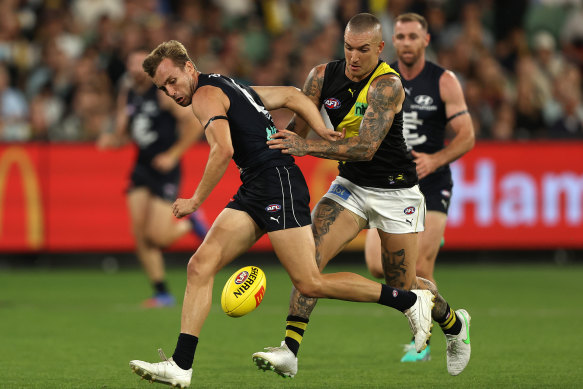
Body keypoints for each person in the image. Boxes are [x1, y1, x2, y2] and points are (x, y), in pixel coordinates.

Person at [128, 40, 434, 389]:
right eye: (162, 88)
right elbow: (290, 94)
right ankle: (181, 366)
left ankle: (409, 300)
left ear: (188, 67)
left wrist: (196, 200)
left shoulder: (203, 95)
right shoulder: (226, 84)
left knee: (309, 282)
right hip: (256, 187)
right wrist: (320, 128)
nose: (170, 91)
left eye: (172, 81)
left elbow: (223, 149)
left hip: (276, 184)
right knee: (200, 266)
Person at [254, 13, 471, 377]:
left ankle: (454, 325)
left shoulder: (388, 85)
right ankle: (289, 350)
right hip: (350, 189)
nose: (354, 57)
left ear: (380, 48)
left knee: (402, 284)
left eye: (363, 50)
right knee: (308, 261)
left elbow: (366, 147)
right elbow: (297, 128)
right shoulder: (322, 76)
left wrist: (306, 147)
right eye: (348, 48)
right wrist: (265, 153)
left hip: (396, 191)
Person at [364, 12, 475, 363]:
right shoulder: (381, 78)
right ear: (392, 41)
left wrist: (435, 160)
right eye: (401, 37)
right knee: (378, 268)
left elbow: (467, 137)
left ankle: (426, 342)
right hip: (389, 184)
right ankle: (448, 323)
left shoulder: (443, 81)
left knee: (420, 267)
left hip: (430, 183)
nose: (406, 43)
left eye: (413, 36)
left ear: (426, 40)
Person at [97, 49, 208, 308]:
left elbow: (194, 124)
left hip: (165, 168)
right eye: (132, 64)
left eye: (140, 64)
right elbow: (124, 132)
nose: (136, 69)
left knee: (158, 237)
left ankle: (190, 223)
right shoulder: (128, 94)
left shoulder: (162, 94)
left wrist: (173, 154)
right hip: (142, 166)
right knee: (139, 234)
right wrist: (112, 140)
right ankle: (162, 292)